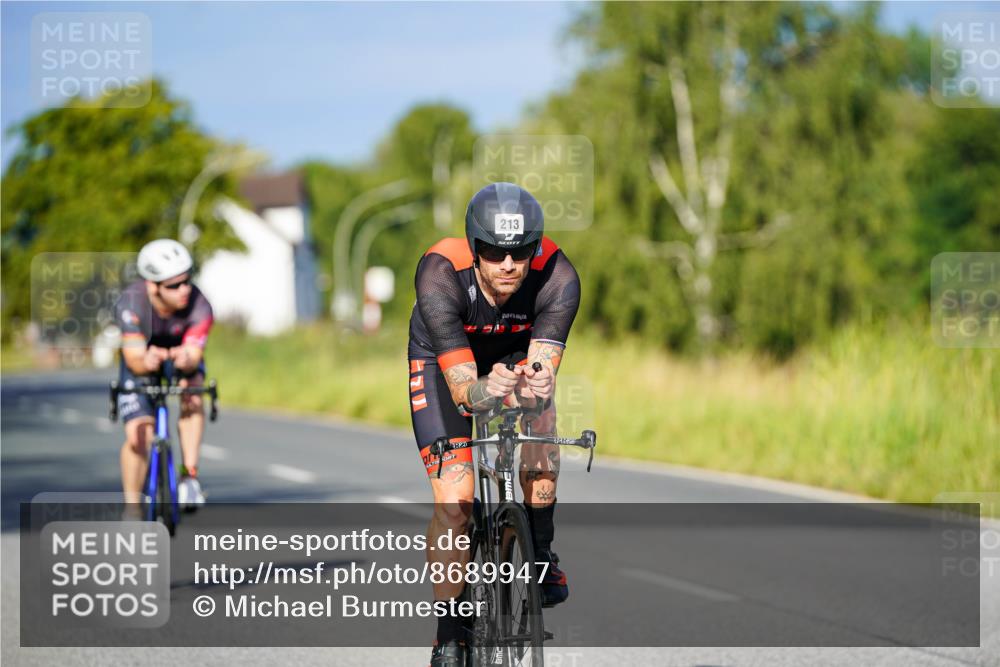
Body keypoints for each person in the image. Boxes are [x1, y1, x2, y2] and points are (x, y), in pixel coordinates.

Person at [408, 182, 581, 666]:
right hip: (445, 365)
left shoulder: (558, 276)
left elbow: (543, 369)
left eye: (521, 251)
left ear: (537, 247)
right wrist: (489, 388)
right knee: (456, 502)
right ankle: (450, 634)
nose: (509, 264)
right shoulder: (440, 272)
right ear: (473, 246)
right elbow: (465, 392)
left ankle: (541, 554)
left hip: (515, 356)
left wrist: (533, 386)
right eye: (494, 252)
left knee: (542, 456)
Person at [115, 239, 214, 510]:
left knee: (193, 391)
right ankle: (132, 508)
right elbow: (134, 360)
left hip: (179, 355)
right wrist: (147, 359)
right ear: (152, 285)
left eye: (187, 280)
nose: (184, 289)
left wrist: (186, 358)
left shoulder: (200, 304)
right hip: (143, 358)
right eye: (173, 285)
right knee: (139, 434)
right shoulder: (131, 303)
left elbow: (193, 355)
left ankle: (189, 478)